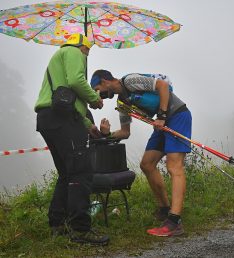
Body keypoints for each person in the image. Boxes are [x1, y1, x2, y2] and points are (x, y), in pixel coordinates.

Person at [90, 70, 192, 237]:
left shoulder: (129, 81)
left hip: (177, 115)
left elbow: (162, 85)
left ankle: (175, 222)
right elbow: (125, 132)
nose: (98, 93)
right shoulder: (122, 103)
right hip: (161, 123)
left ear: (104, 81)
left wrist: (162, 116)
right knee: (147, 164)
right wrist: (106, 134)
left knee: (174, 166)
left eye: (97, 88)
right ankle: (165, 209)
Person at [35, 33, 109, 245]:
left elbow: (67, 101)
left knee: (67, 173)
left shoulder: (59, 56)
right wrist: (94, 99)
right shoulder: (75, 51)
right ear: (84, 47)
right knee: (81, 171)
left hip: (48, 118)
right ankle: (80, 230)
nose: (87, 55)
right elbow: (76, 82)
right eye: (88, 51)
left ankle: (57, 224)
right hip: (61, 119)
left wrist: (87, 126)